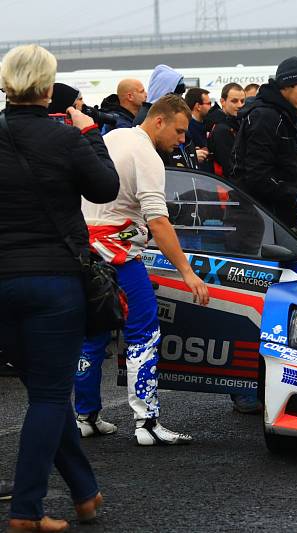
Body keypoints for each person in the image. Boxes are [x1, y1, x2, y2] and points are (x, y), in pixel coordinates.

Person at [0, 44, 119, 531]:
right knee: (50, 396)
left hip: (1, 282)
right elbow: (106, 189)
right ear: (48, 89)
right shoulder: (65, 138)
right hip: (54, 281)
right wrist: (92, 136)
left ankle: (85, 493)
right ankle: (26, 510)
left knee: (41, 390)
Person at [77, 94, 209, 445]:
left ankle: (86, 416)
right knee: (143, 335)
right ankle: (147, 423)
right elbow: (159, 221)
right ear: (159, 121)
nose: (181, 140)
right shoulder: (147, 155)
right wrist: (187, 271)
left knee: (92, 335)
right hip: (120, 256)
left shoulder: (113, 137)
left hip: (85, 253)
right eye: (180, 132)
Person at [231, 56, 297, 227]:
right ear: (285, 86)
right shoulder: (265, 117)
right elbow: (257, 176)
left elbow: (286, 167)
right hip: (259, 222)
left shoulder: (284, 115)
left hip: (275, 219)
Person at [209, 82, 245, 179]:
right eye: (234, 101)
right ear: (223, 101)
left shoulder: (237, 123)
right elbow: (229, 167)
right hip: (229, 187)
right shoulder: (222, 129)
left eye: (242, 101)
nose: (240, 105)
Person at [184, 87, 212, 171]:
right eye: (209, 103)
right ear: (198, 106)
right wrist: (193, 155)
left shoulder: (206, 123)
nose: (211, 107)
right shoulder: (187, 127)